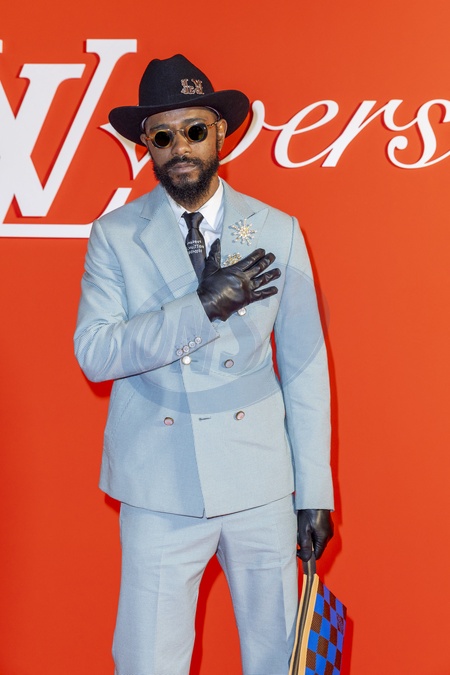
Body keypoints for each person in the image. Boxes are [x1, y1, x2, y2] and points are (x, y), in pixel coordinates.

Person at [74, 54, 335, 675]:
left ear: (220, 132)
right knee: (147, 661)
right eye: (162, 137)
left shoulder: (278, 229)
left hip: (260, 487)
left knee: (279, 658)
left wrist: (314, 491)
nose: (180, 149)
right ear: (146, 145)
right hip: (157, 487)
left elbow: (305, 369)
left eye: (193, 130)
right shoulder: (115, 235)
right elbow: (96, 353)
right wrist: (200, 308)